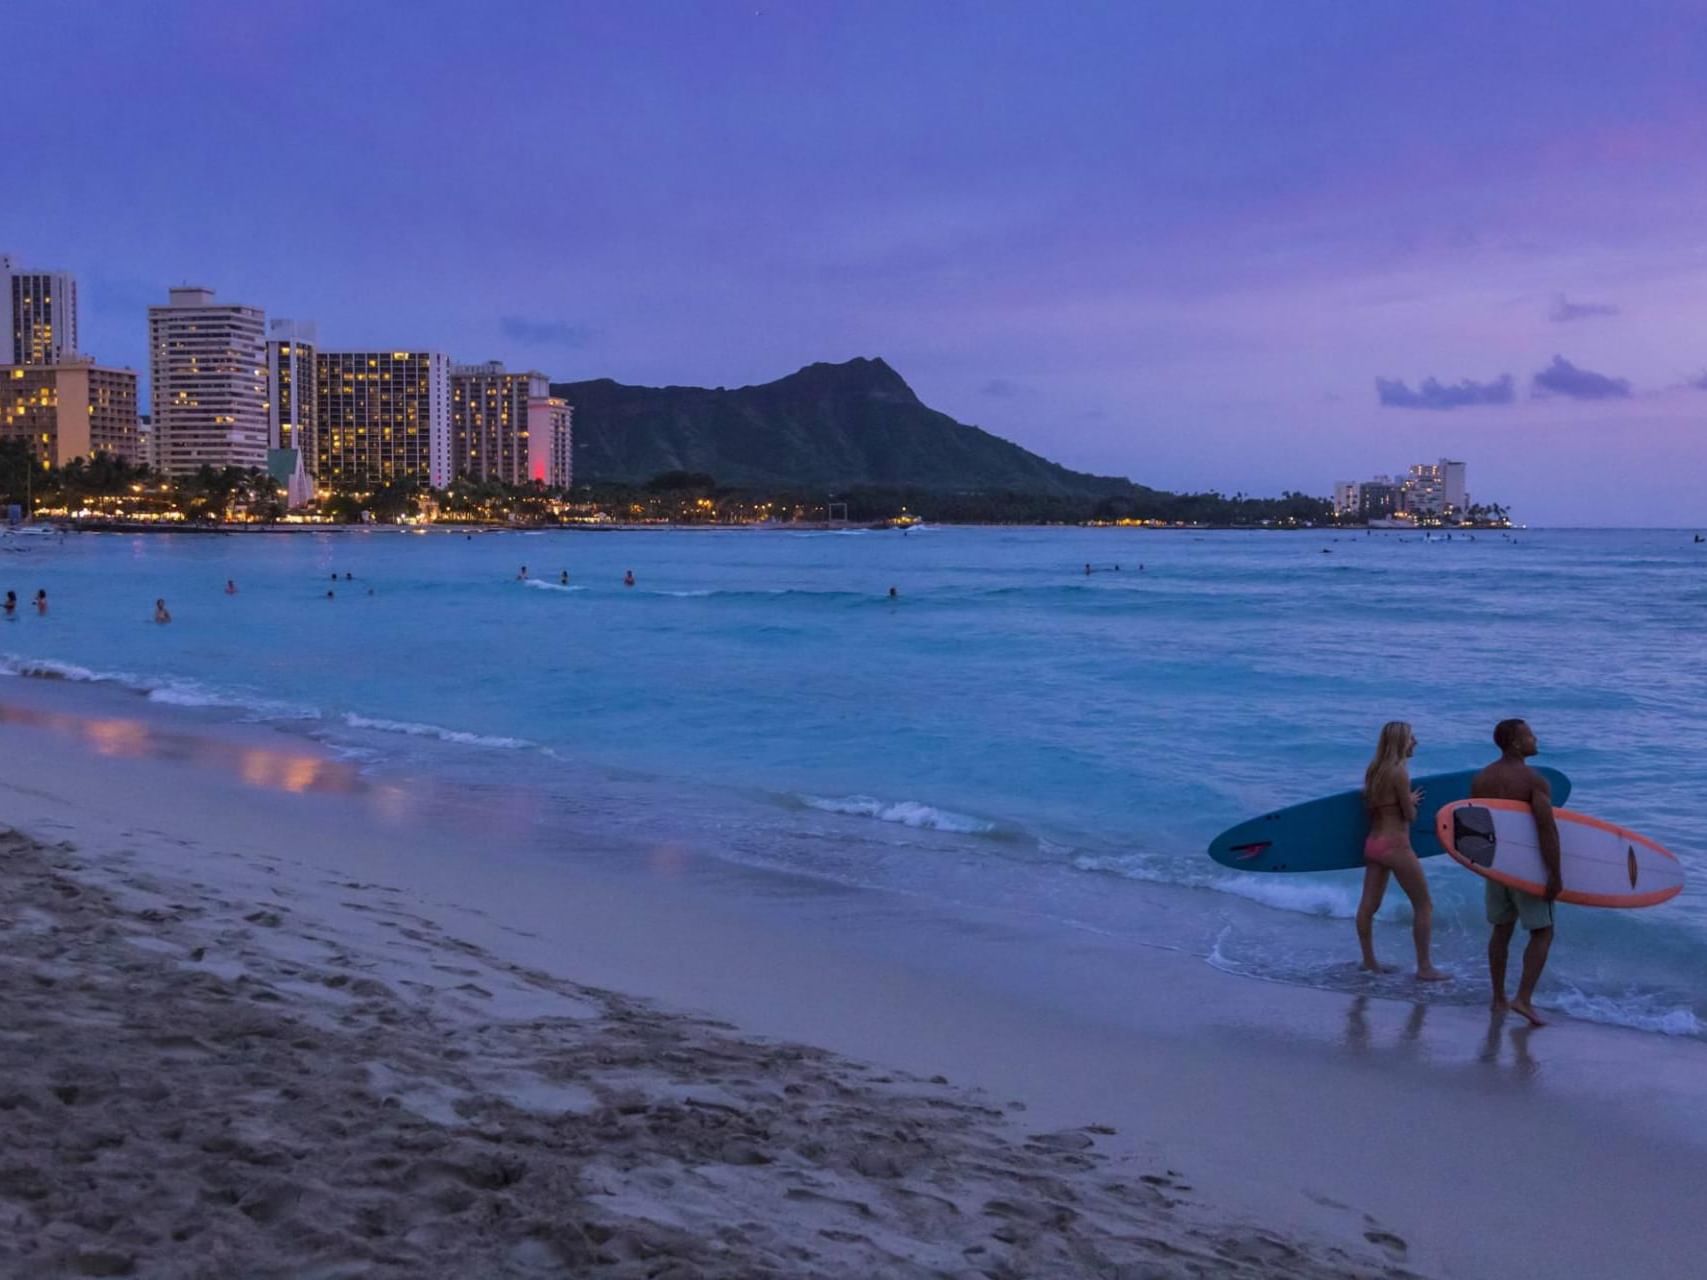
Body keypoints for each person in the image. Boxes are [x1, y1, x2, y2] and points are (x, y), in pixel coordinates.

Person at [1471, 719, 1561, 1027]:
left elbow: (1475, 828)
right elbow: (1546, 829)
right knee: (1543, 931)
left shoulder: (1482, 779)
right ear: (1515, 743)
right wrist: (1554, 873)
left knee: (1501, 930)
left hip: (1496, 866)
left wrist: (1484, 865)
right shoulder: (1533, 781)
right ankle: (1523, 998)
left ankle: (1498, 998)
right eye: (1530, 736)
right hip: (1526, 868)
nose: (1536, 739)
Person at [1355, 721, 1447, 981]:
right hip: (1396, 846)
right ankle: (1425, 968)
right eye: (1411, 738)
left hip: (1373, 844)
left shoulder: (1374, 771)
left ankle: (1369, 962)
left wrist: (1402, 800)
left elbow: (1375, 807)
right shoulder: (1399, 773)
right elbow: (1410, 816)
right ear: (1400, 742)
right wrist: (1411, 802)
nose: (1415, 742)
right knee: (1424, 905)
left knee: (1368, 906)